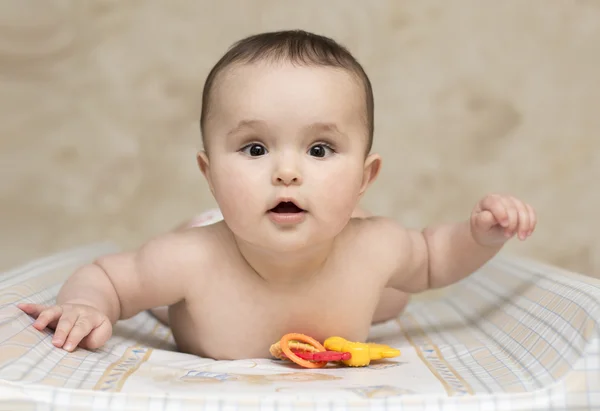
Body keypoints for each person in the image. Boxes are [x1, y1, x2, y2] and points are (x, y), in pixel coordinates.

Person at [18, 30, 537, 360]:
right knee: (155, 295)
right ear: (209, 172)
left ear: (365, 175)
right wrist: (87, 305)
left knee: (394, 294)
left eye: (319, 149)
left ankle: (339, 215)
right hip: (217, 235)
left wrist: (479, 235)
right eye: (254, 148)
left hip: (344, 238)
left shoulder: (375, 246)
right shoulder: (188, 260)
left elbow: (433, 259)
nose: (286, 172)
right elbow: (107, 275)